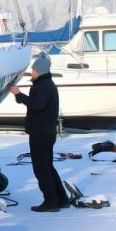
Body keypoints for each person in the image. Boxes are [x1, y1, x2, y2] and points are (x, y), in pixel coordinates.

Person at [9, 56, 69, 212]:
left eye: (33, 70)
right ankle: (62, 199)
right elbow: (35, 103)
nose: (31, 72)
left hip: (41, 133)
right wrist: (19, 96)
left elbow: (37, 105)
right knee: (48, 167)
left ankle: (51, 202)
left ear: (40, 71)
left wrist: (18, 94)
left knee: (41, 169)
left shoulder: (43, 85)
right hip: (46, 132)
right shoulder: (45, 84)